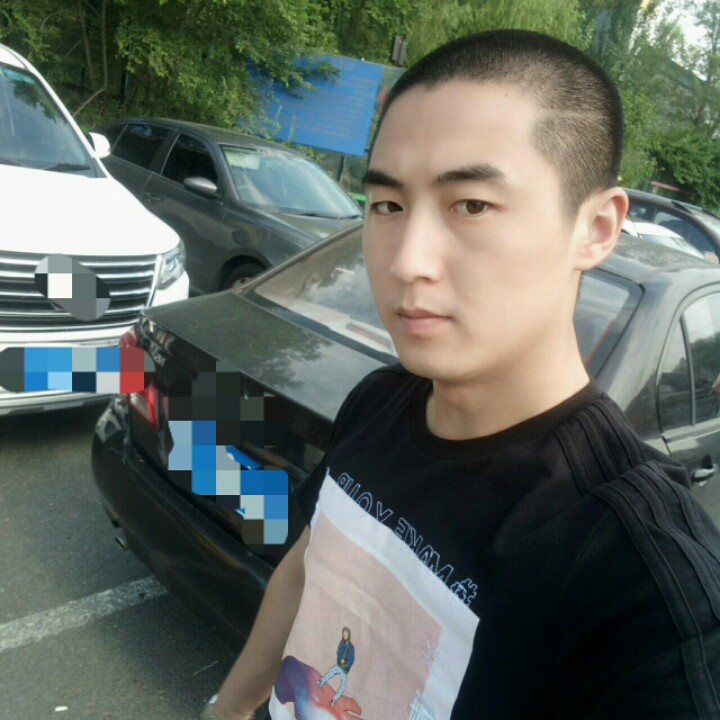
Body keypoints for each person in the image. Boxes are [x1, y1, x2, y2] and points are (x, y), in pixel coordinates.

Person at [206, 30, 720, 719]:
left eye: (471, 205)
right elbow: (307, 568)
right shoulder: (380, 401)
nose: (406, 261)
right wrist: (230, 707)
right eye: (388, 205)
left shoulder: (638, 578)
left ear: (596, 228)